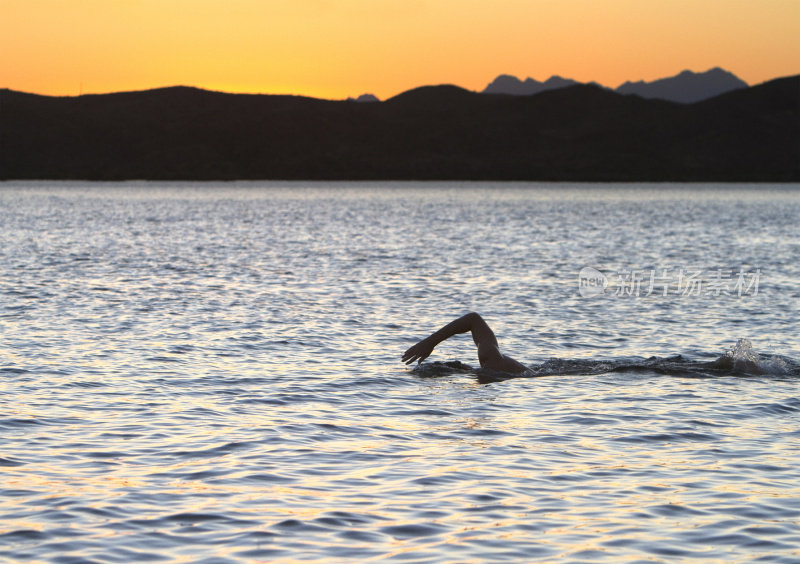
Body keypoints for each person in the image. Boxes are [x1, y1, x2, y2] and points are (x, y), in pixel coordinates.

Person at [402, 312, 528, 374]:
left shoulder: (491, 359)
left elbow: (474, 319)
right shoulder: (490, 358)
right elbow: (474, 319)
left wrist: (429, 343)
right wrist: (429, 343)